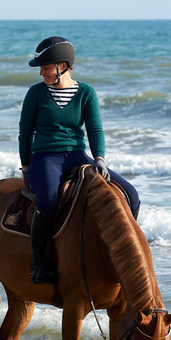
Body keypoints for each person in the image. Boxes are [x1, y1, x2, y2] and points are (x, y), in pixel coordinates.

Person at [18, 36, 140, 285]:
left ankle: (120, 252)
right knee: (49, 202)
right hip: (45, 158)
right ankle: (39, 264)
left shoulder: (86, 93)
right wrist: (27, 168)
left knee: (131, 195)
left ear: (62, 66)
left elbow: (95, 129)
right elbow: (25, 133)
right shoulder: (36, 94)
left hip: (77, 156)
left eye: (45, 67)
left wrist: (100, 159)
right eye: (41, 68)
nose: (41, 73)